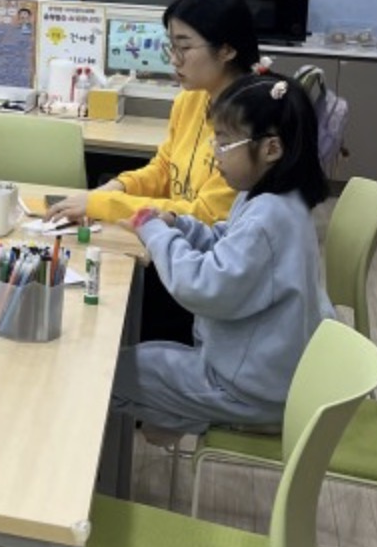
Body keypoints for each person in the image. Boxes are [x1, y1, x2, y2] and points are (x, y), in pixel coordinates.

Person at [111, 72, 333, 436]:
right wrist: (180, 225)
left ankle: (197, 418)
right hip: (259, 371)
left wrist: (153, 231)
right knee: (137, 362)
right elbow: (225, 242)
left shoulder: (268, 217)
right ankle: (180, 417)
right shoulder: (273, 198)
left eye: (225, 143)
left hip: (248, 390)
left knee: (108, 373)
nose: (215, 155)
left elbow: (202, 285)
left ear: (271, 149)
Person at [46, 0, 256, 344]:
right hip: (168, 247)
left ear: (227, 50)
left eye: (184, 47)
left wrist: (103, 204)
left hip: (203, 273)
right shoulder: (191, 100)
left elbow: (205, 215)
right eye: (171, 46)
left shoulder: (248, 122)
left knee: (96, 315)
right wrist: (115, 188)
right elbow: (163, 169)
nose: (174, 59)